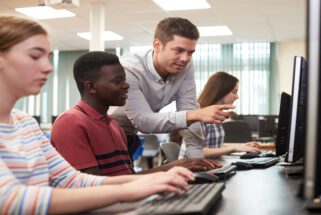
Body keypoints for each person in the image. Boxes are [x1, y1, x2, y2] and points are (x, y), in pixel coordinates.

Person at [0, 15, 193, 214]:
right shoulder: (70, 122)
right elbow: (10, 199)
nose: (48, 67)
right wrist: (127, 190)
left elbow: (72, 180)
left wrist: (153, 179)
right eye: (34, 56)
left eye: (48, 58)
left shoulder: (26, 124)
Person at [51, 51, 220, 176]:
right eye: (118, 81)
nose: (126, 86)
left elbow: (128, 178)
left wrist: (176, 166)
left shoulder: (113, 125)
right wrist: (168, 170)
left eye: (124, 79)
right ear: (91, 87)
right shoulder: (70, 123)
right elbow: (92, 188)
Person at [110, 17, 233, 159]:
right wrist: (195, 115)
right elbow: (144, 121)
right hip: (101, 134)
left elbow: (188, 106)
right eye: (179, 50)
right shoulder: (128, 69)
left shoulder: (183, 64)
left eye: (190, 52)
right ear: (157, 45)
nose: (185, 58)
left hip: (129, 135)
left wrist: (197, 160)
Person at [182, 72, 261, 158]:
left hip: (209, 166)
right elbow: (192, 153)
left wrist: (242, 146)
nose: (237, 96)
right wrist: (234, 148)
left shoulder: (216, 116)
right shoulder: (199, 116)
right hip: (191, 169)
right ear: (221, 92)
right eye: (234, 92)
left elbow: (214, 147)